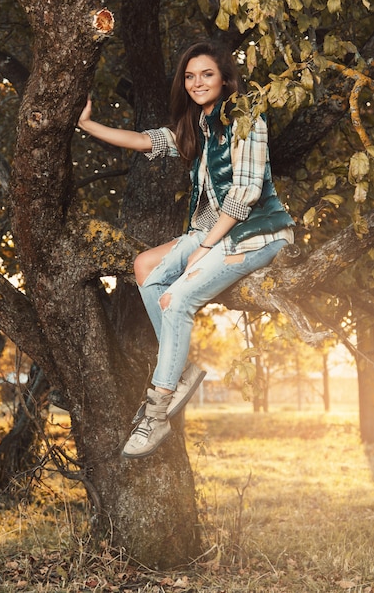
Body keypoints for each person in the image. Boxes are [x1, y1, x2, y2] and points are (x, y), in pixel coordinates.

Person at [78, 40, 295, 459]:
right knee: (146, 267)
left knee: (175, 298)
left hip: (255, 235)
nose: (197, 82)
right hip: (214, 230)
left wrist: (205, 247)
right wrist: (88, 126)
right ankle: (181, 371)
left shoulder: (248, 118)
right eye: (190, 76)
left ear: (226, 78)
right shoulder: (196, 123)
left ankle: (157, 412)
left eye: (207, 74)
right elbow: (146, 142)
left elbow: (247, 193)